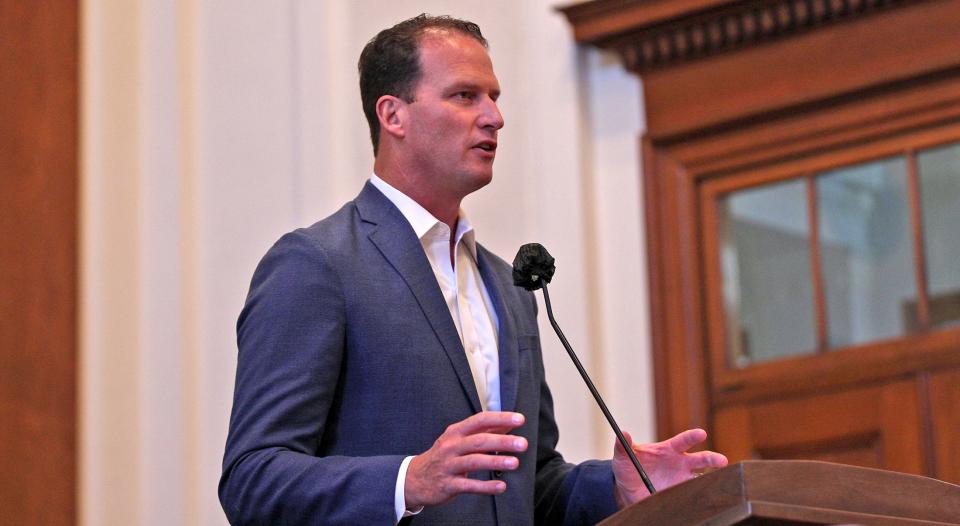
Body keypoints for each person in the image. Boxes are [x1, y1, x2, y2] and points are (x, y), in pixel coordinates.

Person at [219, 14, 727, 525]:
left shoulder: (510, 288)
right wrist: (408, 479)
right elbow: (253, 479)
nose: (493, 117)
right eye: (465, 96)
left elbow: (527, 486)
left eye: (495, 97)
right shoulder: (317, 265)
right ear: (393, 115)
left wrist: (613, 488)